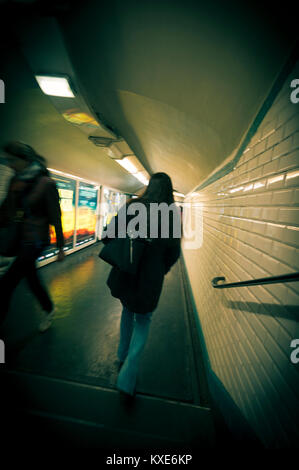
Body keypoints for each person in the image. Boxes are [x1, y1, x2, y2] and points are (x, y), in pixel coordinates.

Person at [102, 172, 181, 400]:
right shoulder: (171, 214)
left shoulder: (133, 206)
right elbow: (173, 253)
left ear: (149, 186)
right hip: (151, 276)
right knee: (144, 319)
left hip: (127, 270)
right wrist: (159, 269)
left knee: (127, 310)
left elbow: (109, 235)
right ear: (168, 190)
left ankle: (121, 356)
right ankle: (128, 375)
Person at [0, 141, 65, 332]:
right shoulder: (15, 180)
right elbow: (5, 210)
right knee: (31, 277)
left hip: (36, 240)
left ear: (25, 159)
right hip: (19, 237)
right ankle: (49, 308)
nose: (10, 164)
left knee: (6, 284)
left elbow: (56, 217)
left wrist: (61, 248)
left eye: (13, 160)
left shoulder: (46, 184)